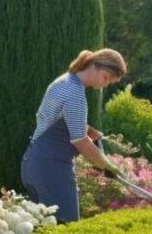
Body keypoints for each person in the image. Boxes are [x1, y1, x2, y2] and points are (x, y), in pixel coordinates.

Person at [21, 48, 126, 223]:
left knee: (43, 230)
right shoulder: (75, 94)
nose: (105, 85)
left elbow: (50, 119)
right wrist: (106, 165)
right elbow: (81, 142)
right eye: (106, 78)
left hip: (34, 163)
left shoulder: (63, 82)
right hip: (51, 169)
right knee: (66, 229)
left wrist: (87, 130)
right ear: (95, 65)